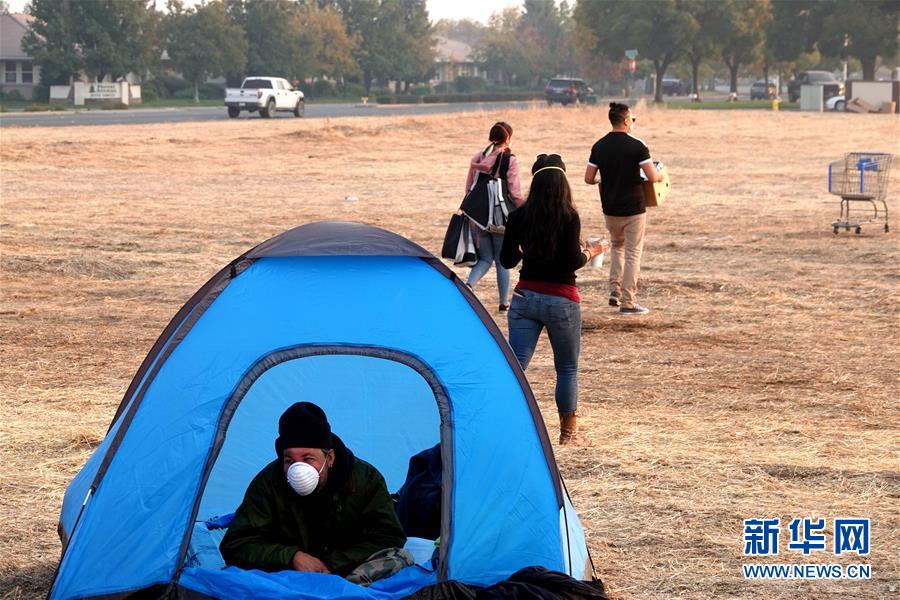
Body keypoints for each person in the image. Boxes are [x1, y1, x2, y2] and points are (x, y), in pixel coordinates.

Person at [220, 402, 411, 585]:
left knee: (400, 558)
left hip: (347, 573)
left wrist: (331, 564)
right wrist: (291, 557)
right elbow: (235, 544)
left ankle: (340, 592)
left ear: (330, 458)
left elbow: (389, 536)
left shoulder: (365, 480)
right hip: (288, 574)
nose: (297, 469)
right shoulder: (269, 483)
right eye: (289, 460)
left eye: (308, 458)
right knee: (231, 577)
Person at [500, 154, 606, 445]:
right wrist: (592, 252)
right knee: (567, 368)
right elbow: (571, 262)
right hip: (561, 300)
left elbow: (507, 260)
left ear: (535, 183)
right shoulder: (569, 216)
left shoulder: (519, 216)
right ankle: (568, 435)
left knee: (515, 366)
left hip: (525, 297)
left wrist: (525, 249)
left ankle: (500, 423)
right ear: (563, 182)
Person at [584, 102, 663, 315]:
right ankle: (628, 301)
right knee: (632, 253)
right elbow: (652, 176)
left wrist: (603, 180)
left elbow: (589, 178)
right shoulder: (638, 146)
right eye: (632, 119)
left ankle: (614, 290)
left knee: (617, 247)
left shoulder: (599, 146)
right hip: (634, 208)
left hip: (610, 208)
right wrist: (660, 176)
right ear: (626, 120)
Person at [464, 121, 524, 312]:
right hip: (500, 219)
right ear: (508, 138)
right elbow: (515, 193)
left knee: (484, 259)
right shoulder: (510, 160)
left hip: (479, 217)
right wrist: (525, 209)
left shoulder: (478, 158)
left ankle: (468, 286)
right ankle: (504, 302)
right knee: (501, 260)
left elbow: (469, 188)